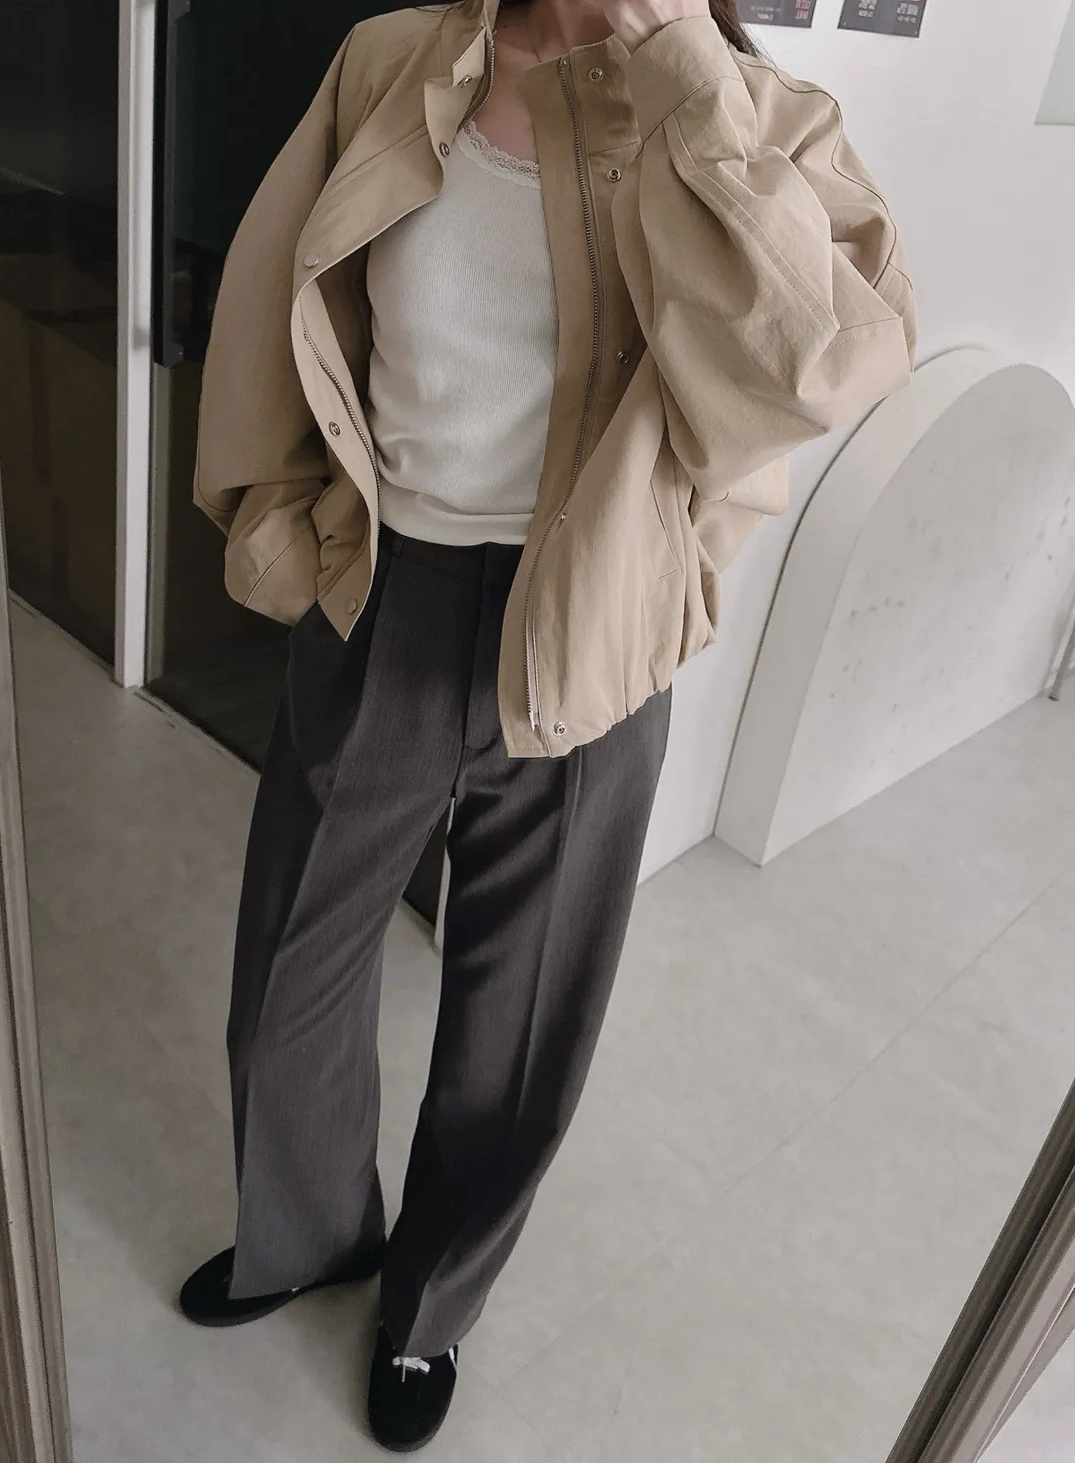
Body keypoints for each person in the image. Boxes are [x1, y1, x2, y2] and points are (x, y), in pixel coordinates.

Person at [179, 0, 917, 1450]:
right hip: (383, 594)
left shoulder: (764, 117)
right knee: (290, 974)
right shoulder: (395, 58)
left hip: (592, 623)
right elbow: (286, 290)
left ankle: (430, 1309)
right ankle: (311, 1233)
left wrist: (687, 78)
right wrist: (279, 508)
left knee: (520, 1018)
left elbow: (811, 370)